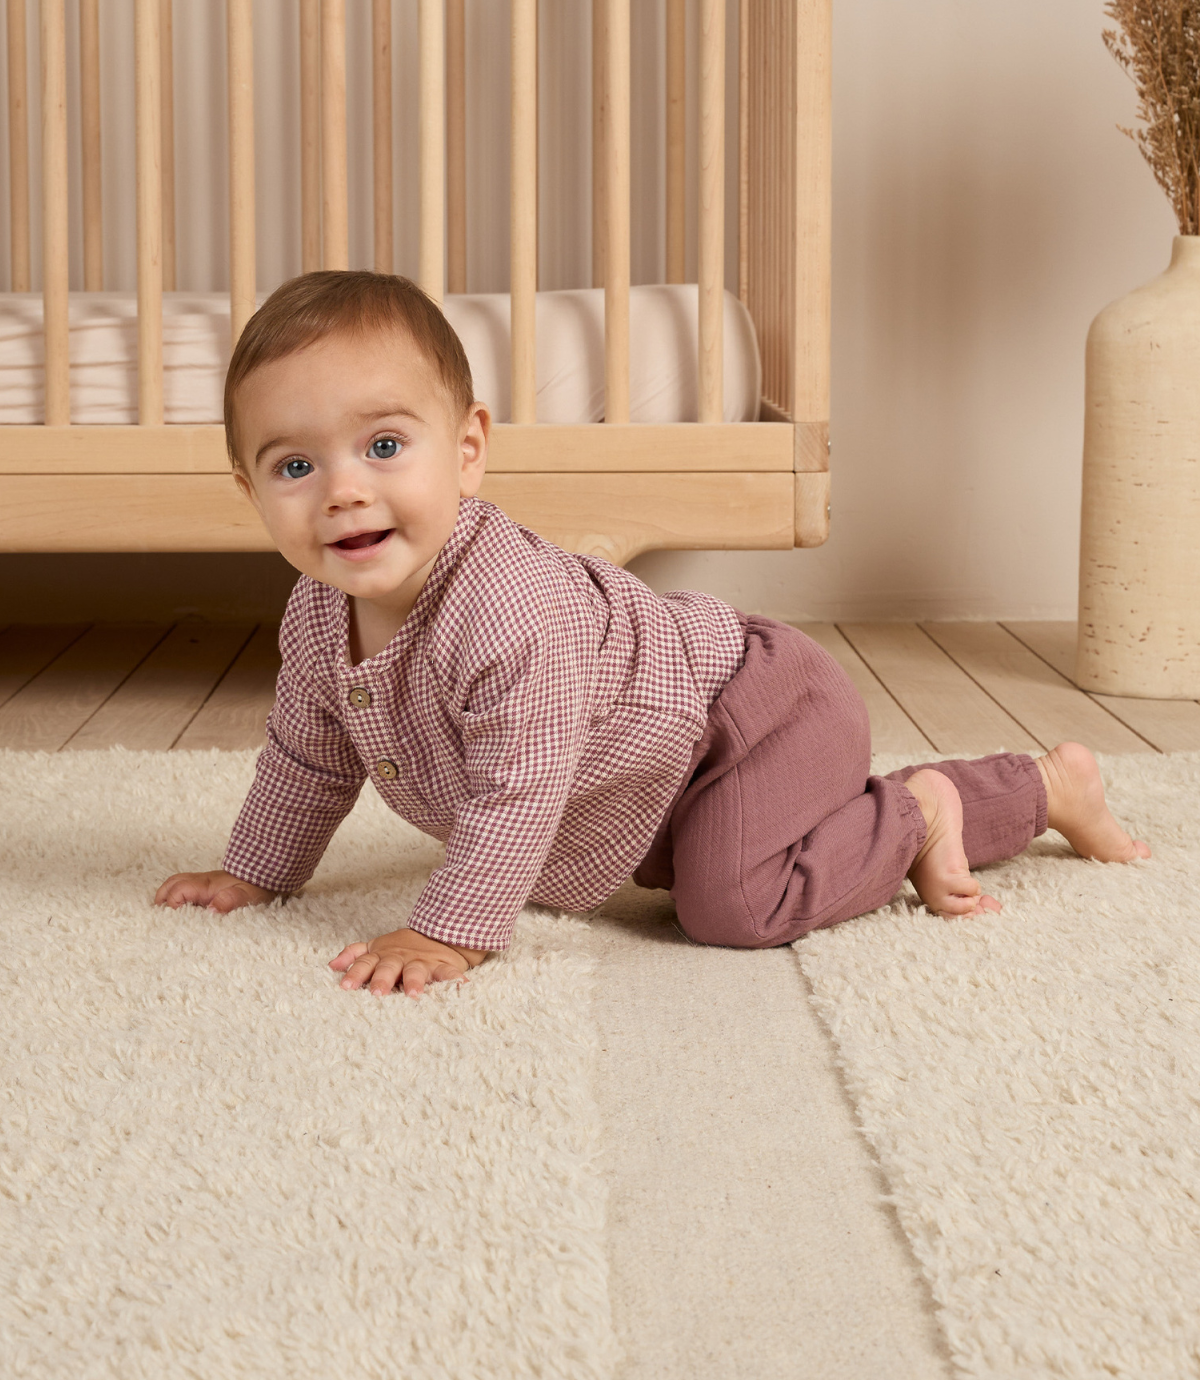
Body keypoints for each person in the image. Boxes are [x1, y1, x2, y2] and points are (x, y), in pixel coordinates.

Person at [155, 271, 1151, 999]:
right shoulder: (318, 618)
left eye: (383, 445)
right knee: (701, 869)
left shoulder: (509, 613)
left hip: (754, 712)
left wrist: (447, 934)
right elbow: (308, 758)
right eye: (295, 467)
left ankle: (955, 802)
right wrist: (254, 872)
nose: (345, 489)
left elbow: (521, 786)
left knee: (731, 906)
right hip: (659, 778)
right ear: (250, 493)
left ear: (467, 453)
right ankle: (901, 812)